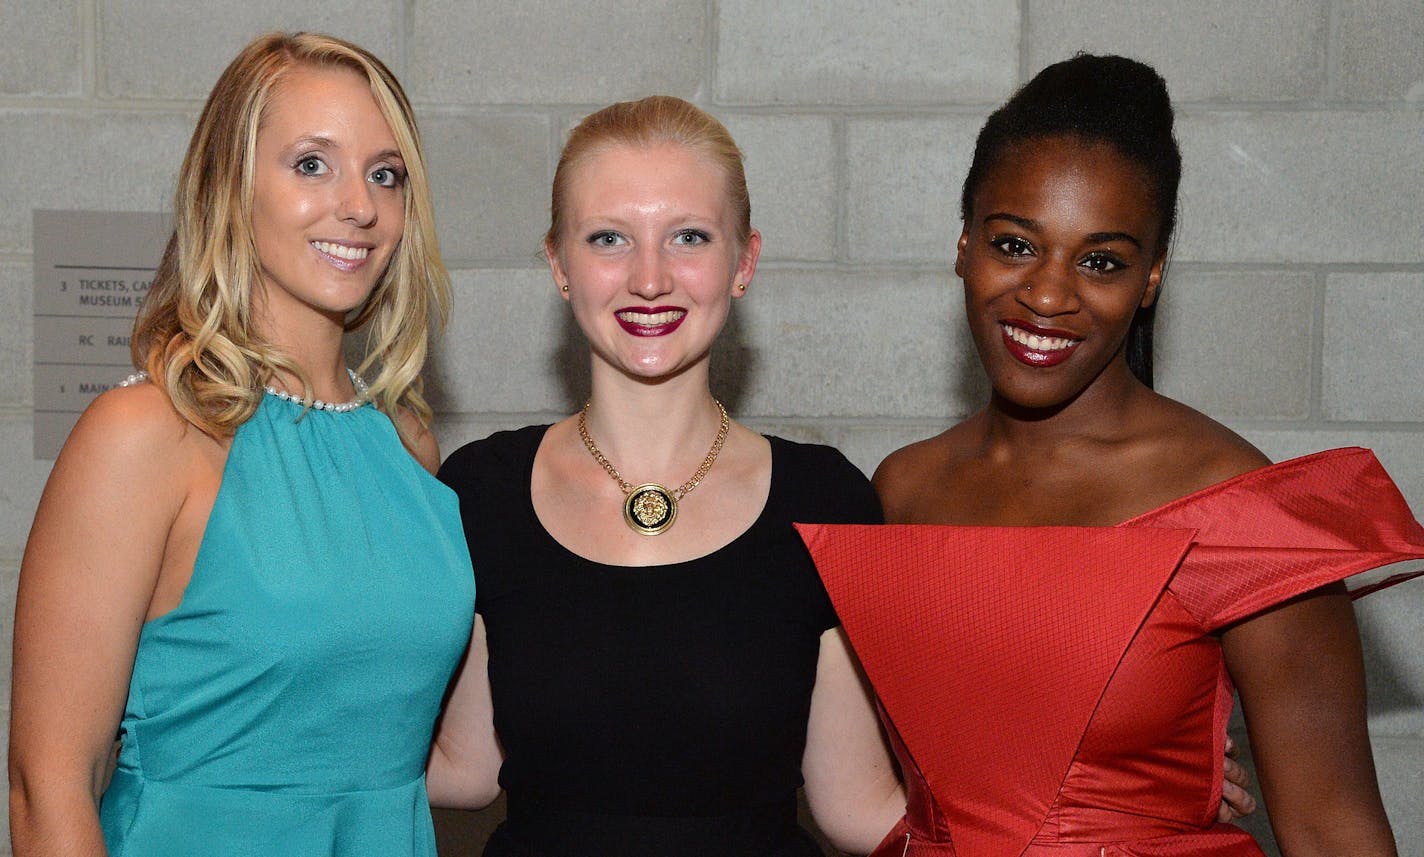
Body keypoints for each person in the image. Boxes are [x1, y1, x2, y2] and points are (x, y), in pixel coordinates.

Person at [796, 54, 1424, 856]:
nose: (1049, 295)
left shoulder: (1243, 509)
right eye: (1016, 244)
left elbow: (1333, 829)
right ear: (963, 244)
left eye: (1101, 261)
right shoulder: (904, 486)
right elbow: (883, 770)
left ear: (1152, 276)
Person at [9, 32, 474, 856]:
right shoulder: (146, 435)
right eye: (311, 164)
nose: (360, 205)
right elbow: (49, 789)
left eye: (385, 173)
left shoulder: (409, 445)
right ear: (231, 185)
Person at [430, 95, 905, 856]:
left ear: (743, 261)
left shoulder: (829, 500)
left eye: (689, 236)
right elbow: (466, 768)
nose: (650, 279)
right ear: (558, 263)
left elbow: (855, 804)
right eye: (609, 238)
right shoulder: (478, 491)